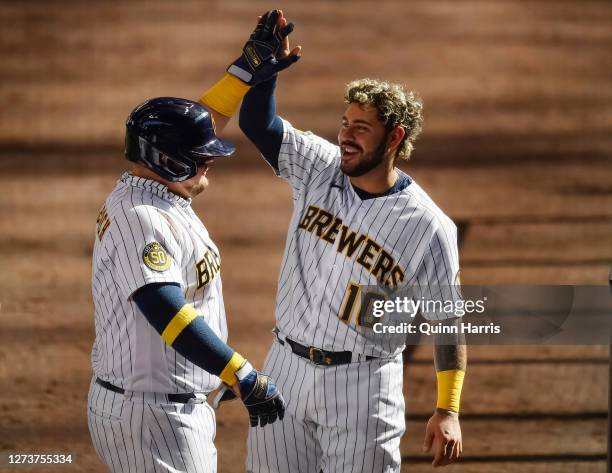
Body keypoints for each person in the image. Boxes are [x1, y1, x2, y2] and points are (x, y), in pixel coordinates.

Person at [232, 10, 467, 472]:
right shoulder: (319, 167)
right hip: (285, 368)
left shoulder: (428, 225)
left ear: (395, 137)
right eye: (344, 123)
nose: (345, 137)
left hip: (363, 386)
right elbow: (258, 127)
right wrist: (262, 80)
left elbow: (448, 319)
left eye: (361, 129)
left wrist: (449, 409)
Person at [87, 14, 298, 471]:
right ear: (169, 162)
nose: (210, 161)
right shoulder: (143, 219)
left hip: (160, 406)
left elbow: (197, 124)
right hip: (154, 416)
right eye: (201, 158)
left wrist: (244, 72)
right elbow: (165, 309)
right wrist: (239, 373)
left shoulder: (156, 189)